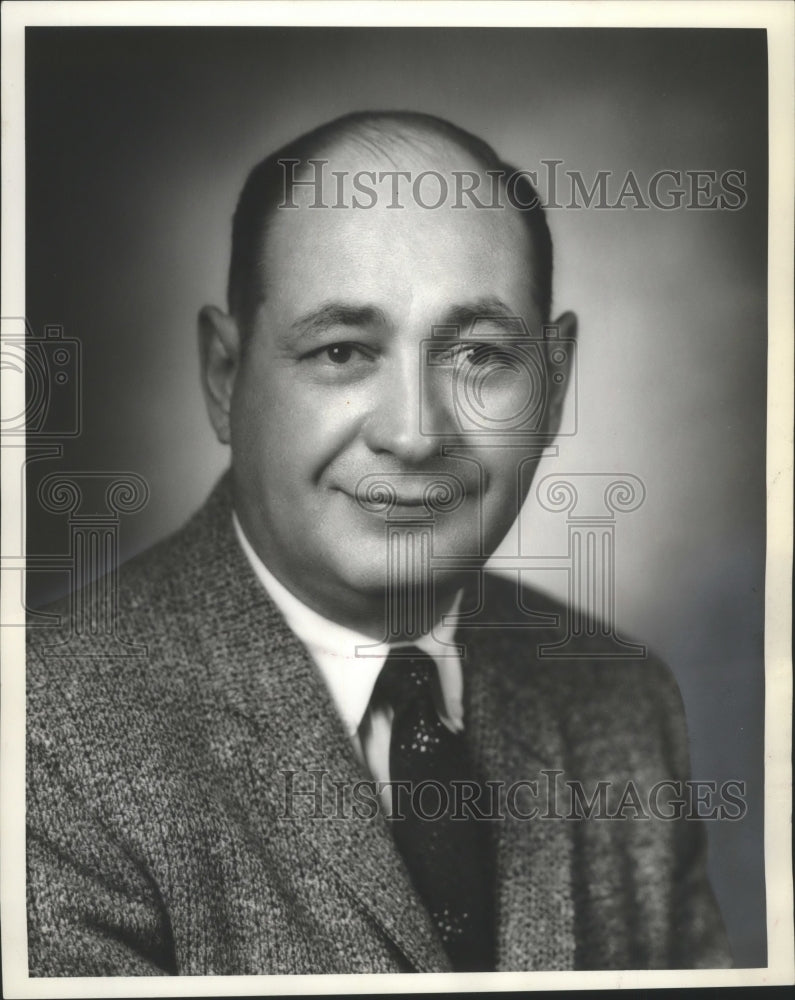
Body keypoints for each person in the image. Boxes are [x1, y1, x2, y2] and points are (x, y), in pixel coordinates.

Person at [26, 111, 731, 975]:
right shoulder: (38, 738)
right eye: (342, 351)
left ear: (552, 389)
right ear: (224, 377)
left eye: (477, 354)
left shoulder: (626, 706)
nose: (413, 433)